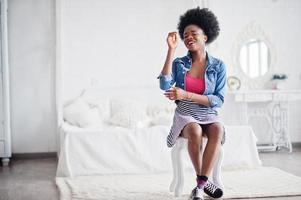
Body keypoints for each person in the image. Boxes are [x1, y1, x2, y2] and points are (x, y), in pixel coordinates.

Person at [158, 7, 226, 200]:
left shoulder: (218, 66)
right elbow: (164, 84)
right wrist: (171, 50)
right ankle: (203, 183)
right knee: (195, 131)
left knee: (217, 130)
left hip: (209, 112)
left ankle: (200, 186)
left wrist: (186, 94)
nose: (188, 37)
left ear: (205, 37)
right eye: (185, 34)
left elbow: (218, 100)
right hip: (186, 113)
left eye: (193, 33)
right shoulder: (179, 63)